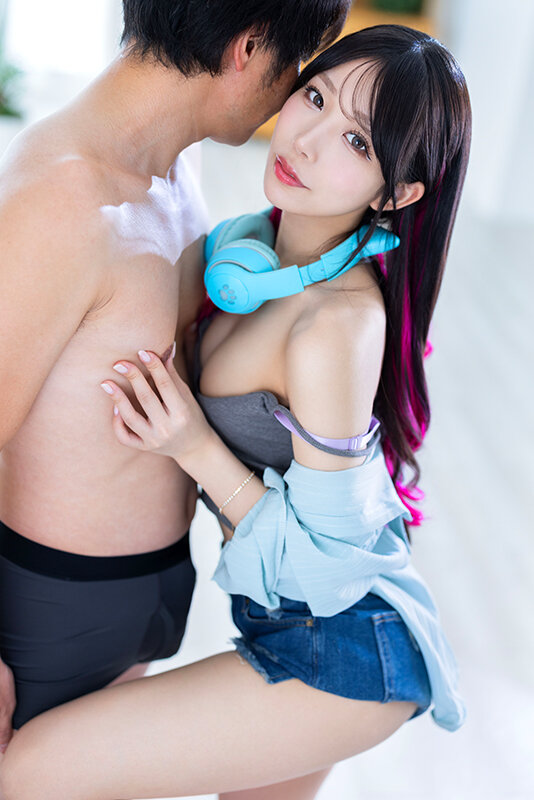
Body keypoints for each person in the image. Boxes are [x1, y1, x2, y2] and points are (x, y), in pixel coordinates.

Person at [1, 24, 471, 800]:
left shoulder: (336, 326)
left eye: (356, 141)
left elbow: (329, 570)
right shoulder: (254, 255)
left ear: (396, 194)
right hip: (277, 627)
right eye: (314, 97)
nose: (306, 141)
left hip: (344, 651)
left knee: (24, 773)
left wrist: (194, 446)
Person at [0, 0, 350, 746]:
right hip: (50, 605)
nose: (291, 87)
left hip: (146, 590)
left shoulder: (174, 164)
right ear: (249, 48)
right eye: (293, 63)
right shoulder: (59, 201)